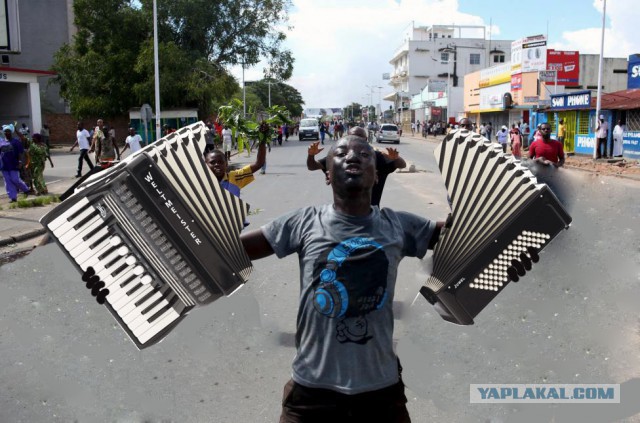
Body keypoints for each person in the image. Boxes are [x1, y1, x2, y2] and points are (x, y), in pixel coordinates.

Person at [240, 133, 446, 422]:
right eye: (341, 153)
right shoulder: (302, 222)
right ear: (327, 174)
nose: (352, 156)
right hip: (311, 393)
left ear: (377, 176)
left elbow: (471, 238)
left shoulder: (398, 225)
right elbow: (231, 251)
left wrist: (514, 253)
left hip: (381, 392)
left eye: (364, 154)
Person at [306, 127, 406, 207]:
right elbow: (313, 166)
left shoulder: (377, 157)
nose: (355, 140)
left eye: (359, 138)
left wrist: (396, 158)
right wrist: (311, 155)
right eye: (352, 137)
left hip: (370, 217)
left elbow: (402, 165)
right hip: (342, 215)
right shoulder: (339, 156)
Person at [1, 124, 31, 202]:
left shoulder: (16, 142)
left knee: (15, 179)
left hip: (14, 164)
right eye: (5, 132)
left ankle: (26, 189)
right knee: (8, 182)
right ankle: (13, 197)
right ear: (4, 133)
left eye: (8, 131)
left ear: (11, 132)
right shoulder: (1, 142)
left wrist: (20, 162)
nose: (7, 133)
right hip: (4, 166)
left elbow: (21, 153)